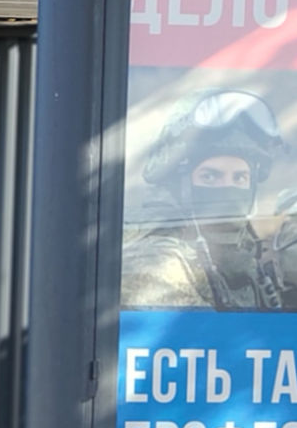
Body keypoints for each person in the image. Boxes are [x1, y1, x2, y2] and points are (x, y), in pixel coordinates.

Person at [123, 88, 297, 310]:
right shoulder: (156, 261)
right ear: (179, 183)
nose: (227, 187)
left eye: (240, 177)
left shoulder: (246, 260)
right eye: (210, 176)